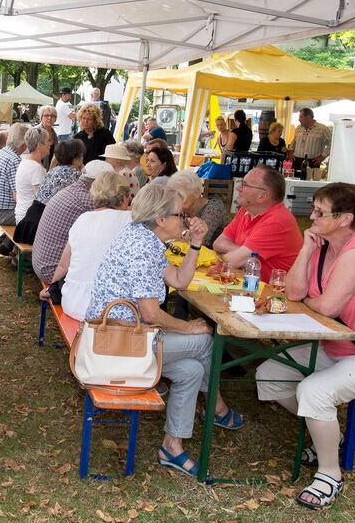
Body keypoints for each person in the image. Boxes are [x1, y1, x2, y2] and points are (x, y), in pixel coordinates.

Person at [256, 183, 355, 510]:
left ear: (346, 218)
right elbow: (293, 293)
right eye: (314, 209)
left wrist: (311, 300)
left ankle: (330, 474)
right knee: (268, 374)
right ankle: (330, 437)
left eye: (320, 212)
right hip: (334, 345)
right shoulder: (322, 244)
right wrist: (306, 250)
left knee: (314, 391)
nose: (312, 216)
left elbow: (329, 306)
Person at [86, 183, 244, 478]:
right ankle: (218, 409)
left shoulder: (144, 239)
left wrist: (196, 243)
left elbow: (180, 280)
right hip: (116, 345)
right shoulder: (144, 247)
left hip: (121, 337)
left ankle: (172, 445)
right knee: (206, 341)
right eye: (181, 215)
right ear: (161, 219)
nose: (185, 220)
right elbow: (150, 313)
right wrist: (187, 328)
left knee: (191, 371)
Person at [42, 170, 131, 319]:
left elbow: (63, 265)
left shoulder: (83, 219)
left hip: (72, 302)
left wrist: (52, 288)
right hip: (107, 308)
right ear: (123, 197)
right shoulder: (129, 219)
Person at [212, 164, 302, 281]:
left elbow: (232, 261)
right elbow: (218, 244)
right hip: (246, 285)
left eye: (244, 184)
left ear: (263, 196)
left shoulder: (278, 220)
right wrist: (245, 252)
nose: (238, 188)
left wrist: (238, 255)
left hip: (272, 294)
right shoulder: (246, 210)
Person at [32, 160, 112, 283]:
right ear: (102, 184)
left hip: (42, 263)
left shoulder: (73, 190)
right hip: (54, 271)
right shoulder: (88, 201)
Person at [12, 138, 86, 244]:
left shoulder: (54, 170)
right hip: (44, 227)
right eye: (81, 155)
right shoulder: (75, 175)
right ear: (76, 158)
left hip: (29, 221)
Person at [167, 170, 229, 249]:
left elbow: (201, 239)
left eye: (180, 194)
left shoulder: (213, 209)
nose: (176, 198)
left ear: (196, 192)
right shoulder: (182, 210)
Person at [0, 123, 28, 225]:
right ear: (23, 143)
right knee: (38, 219)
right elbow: (17, 196)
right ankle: (10, 241)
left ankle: (5, 241)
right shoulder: (14, 160)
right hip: (4, 213)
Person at [14, 126, 51, 223]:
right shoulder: (35, 168)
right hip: (29, 220)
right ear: (39, 145)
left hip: (22, 215)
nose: (50, 144)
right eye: (48, 141)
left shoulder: (25, 162)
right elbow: (41, 199)